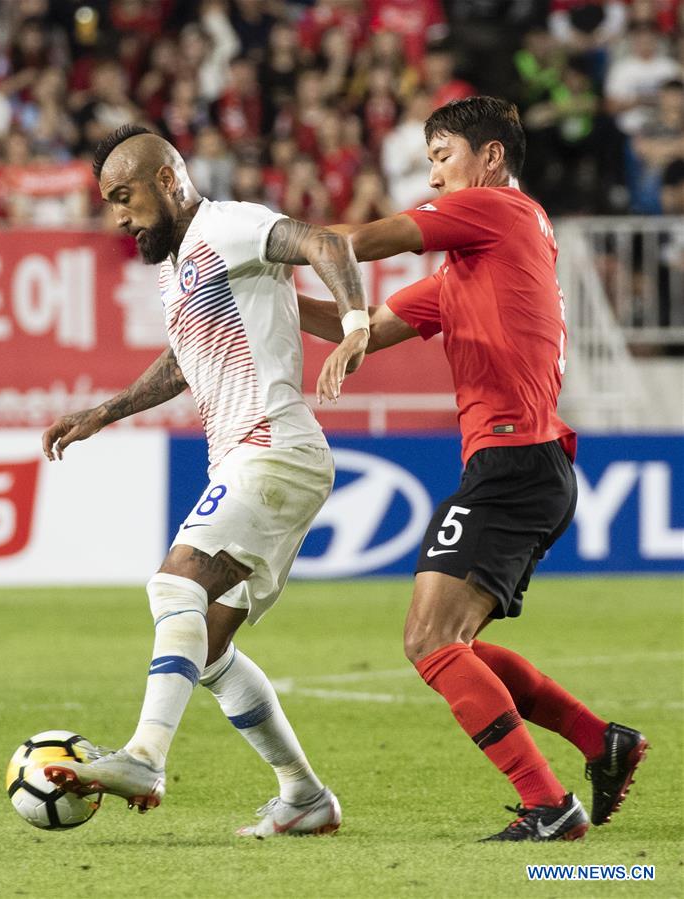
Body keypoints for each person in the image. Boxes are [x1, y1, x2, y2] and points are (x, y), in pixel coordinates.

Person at [299, 96, 648, 842]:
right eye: (428, 160)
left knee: (429, 642)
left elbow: (367, 239)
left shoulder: (497, 210)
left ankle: (548, 805)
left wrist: (261, 241)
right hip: (526, 461)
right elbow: (354, 327)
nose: (432, 173)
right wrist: (263, 293)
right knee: (447, 641)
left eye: (442, 154)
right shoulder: (473, 264)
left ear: (489, 158)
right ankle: (597, 740)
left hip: (514, 458)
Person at [40, 124, 369, 836]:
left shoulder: (229, 224)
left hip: (271, 446)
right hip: (258, 459)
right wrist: (107, 409)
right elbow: (185, 358)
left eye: (124, 197)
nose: (119, 217)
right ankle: (304, 796)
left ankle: (145, 757)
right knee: (209, 647)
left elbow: (326, 243)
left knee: (174, 583)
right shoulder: (178, 266)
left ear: (167, 179)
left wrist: (355, 321)